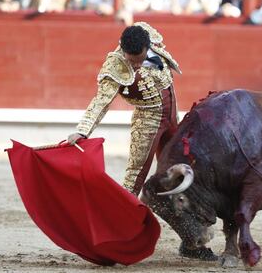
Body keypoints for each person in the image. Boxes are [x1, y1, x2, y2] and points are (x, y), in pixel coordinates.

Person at [67, 22, 181, 196]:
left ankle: (176, 214)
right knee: (135, 176)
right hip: (147, 120)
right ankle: (122, 218)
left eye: (139, 59)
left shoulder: (146, 34)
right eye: (130, 59)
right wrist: (82, 131)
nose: (135, 65)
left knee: (176, 166)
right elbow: (101, 101)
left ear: (147, 46)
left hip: (172, 113)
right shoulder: (114, 65)